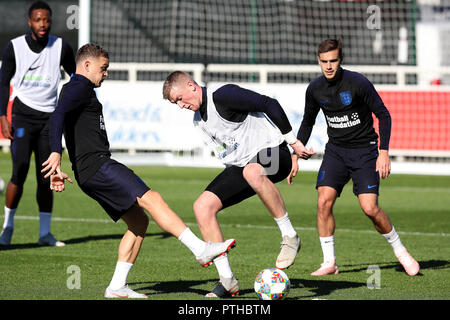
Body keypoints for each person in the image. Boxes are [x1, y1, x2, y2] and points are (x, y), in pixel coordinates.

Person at [41, 43, 235, 299]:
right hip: (97, 165)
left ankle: (117, 286)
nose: (106, 73)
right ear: (86, 65)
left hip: (90, 171)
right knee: (152, 199)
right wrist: (56, 153)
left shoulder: (79, 89)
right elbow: (56, 117)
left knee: (139, 221)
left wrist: (56, 161)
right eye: (104, 68)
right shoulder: (78, 86)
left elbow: (56, 122)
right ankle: (200, 249)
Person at [163, 71, 315, 297]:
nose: (180, 106)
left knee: (253, 172)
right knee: (202, 206)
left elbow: (268, 103)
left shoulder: (223, 95)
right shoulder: (198, 121)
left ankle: (290, 236)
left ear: (191, 85)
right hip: (243, 167)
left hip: (274, 152)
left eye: (179, 99)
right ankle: (227, 281)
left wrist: (294, 143)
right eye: (175, 103)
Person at [290, 38, 419, 276]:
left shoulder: (358, 82)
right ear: (318, 61)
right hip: (336, 151)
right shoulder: (315, 89)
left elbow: (384, 115)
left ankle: (401, 252)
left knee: (369, 208)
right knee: (323, 201)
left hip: (365, 151)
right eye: (324, 61)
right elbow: (308, 121)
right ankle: (329, 262)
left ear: (341, 60)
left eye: (333, 61)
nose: (328, 66)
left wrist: (384, 152)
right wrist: (296, 153)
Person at [0, 1, 76, 246]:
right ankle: (7, 228)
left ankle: (45, 234)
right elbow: (3, 83)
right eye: (38, 20)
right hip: (22, 116)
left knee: (47, 176)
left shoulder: (61, 46)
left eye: (46, 20)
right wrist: (3, 117)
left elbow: (76, 77)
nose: (43, 24)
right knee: (19, 172)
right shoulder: (15, 47)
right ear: (29, 22)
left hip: (49, 121)